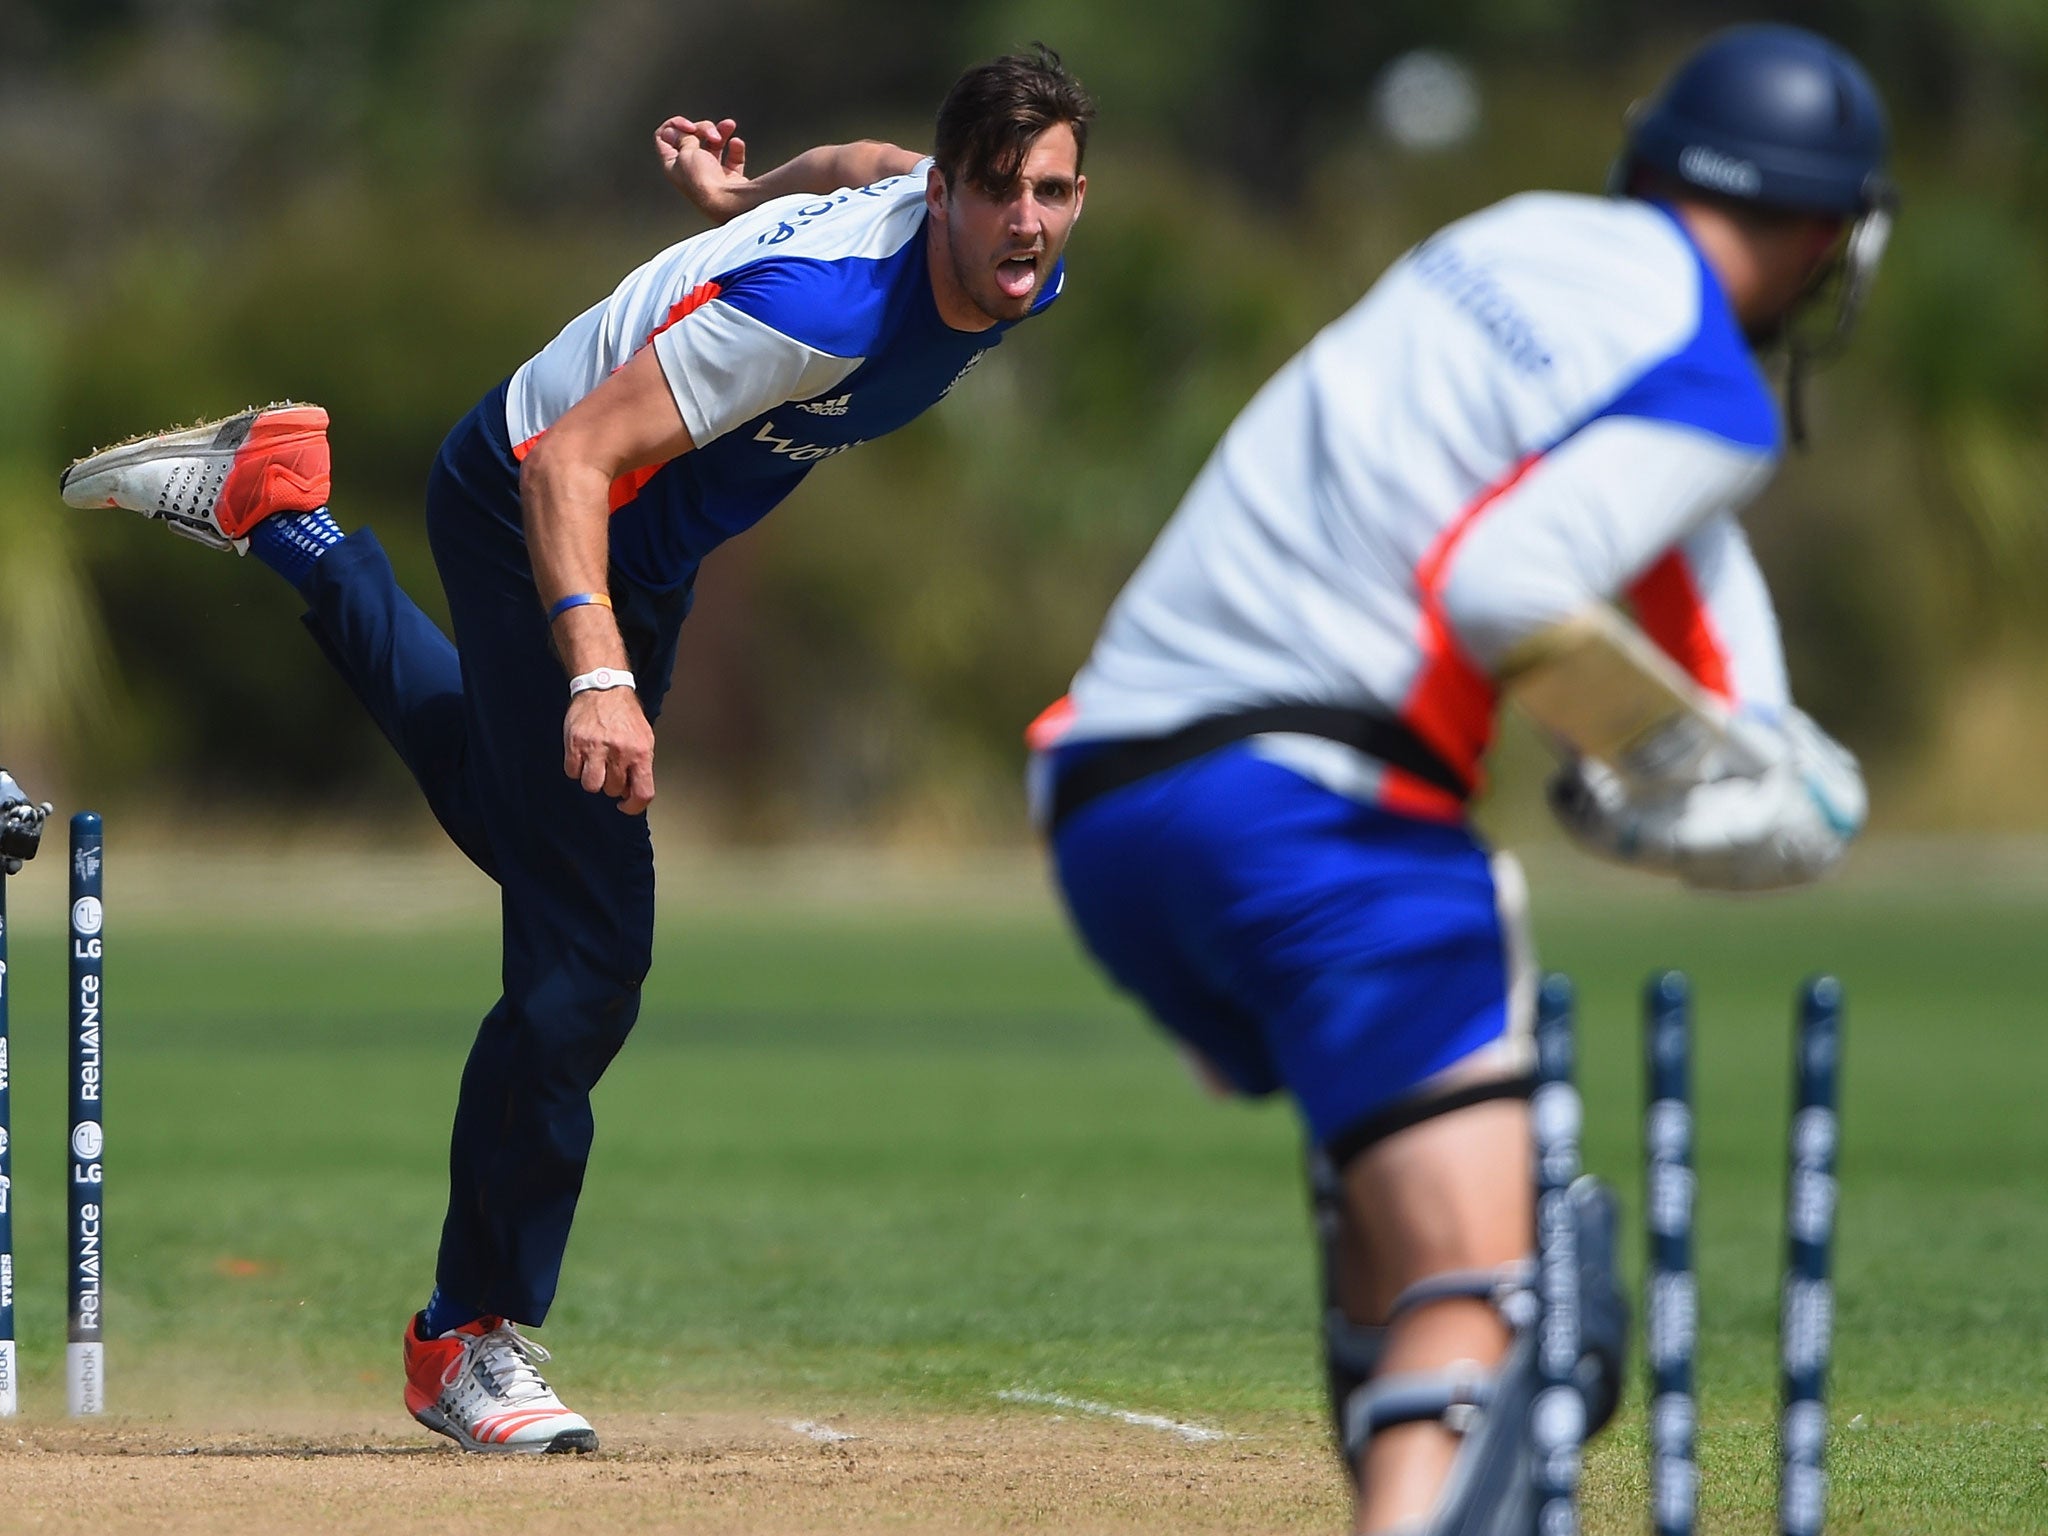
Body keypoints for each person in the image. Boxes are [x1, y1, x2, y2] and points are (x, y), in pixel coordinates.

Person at [61, 46, 1092, 1454]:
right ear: (955, 193)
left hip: (638, 553)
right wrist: (596, 677)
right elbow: (566, 468)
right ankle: (466, 1337)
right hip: (534, 510)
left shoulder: (974, 237)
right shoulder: (825, 309)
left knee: (531, 833)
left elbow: (860, 160)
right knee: (589, 948)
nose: (1029, 221)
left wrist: (737, 189)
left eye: (1055, 189)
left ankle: (279, 510)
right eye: (1001, 191)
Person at [1030, 25, 1890, 1534]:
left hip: (1106, 800)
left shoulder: (1511, 242)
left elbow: (1671, 550)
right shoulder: (1705, 377)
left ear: (1650, 163)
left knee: (1405, 1250)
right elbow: (1508, 580)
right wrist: (1686, 766)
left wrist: (1744, 732)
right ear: (1825, 240)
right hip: (1315, 821)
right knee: (1505, 1306)